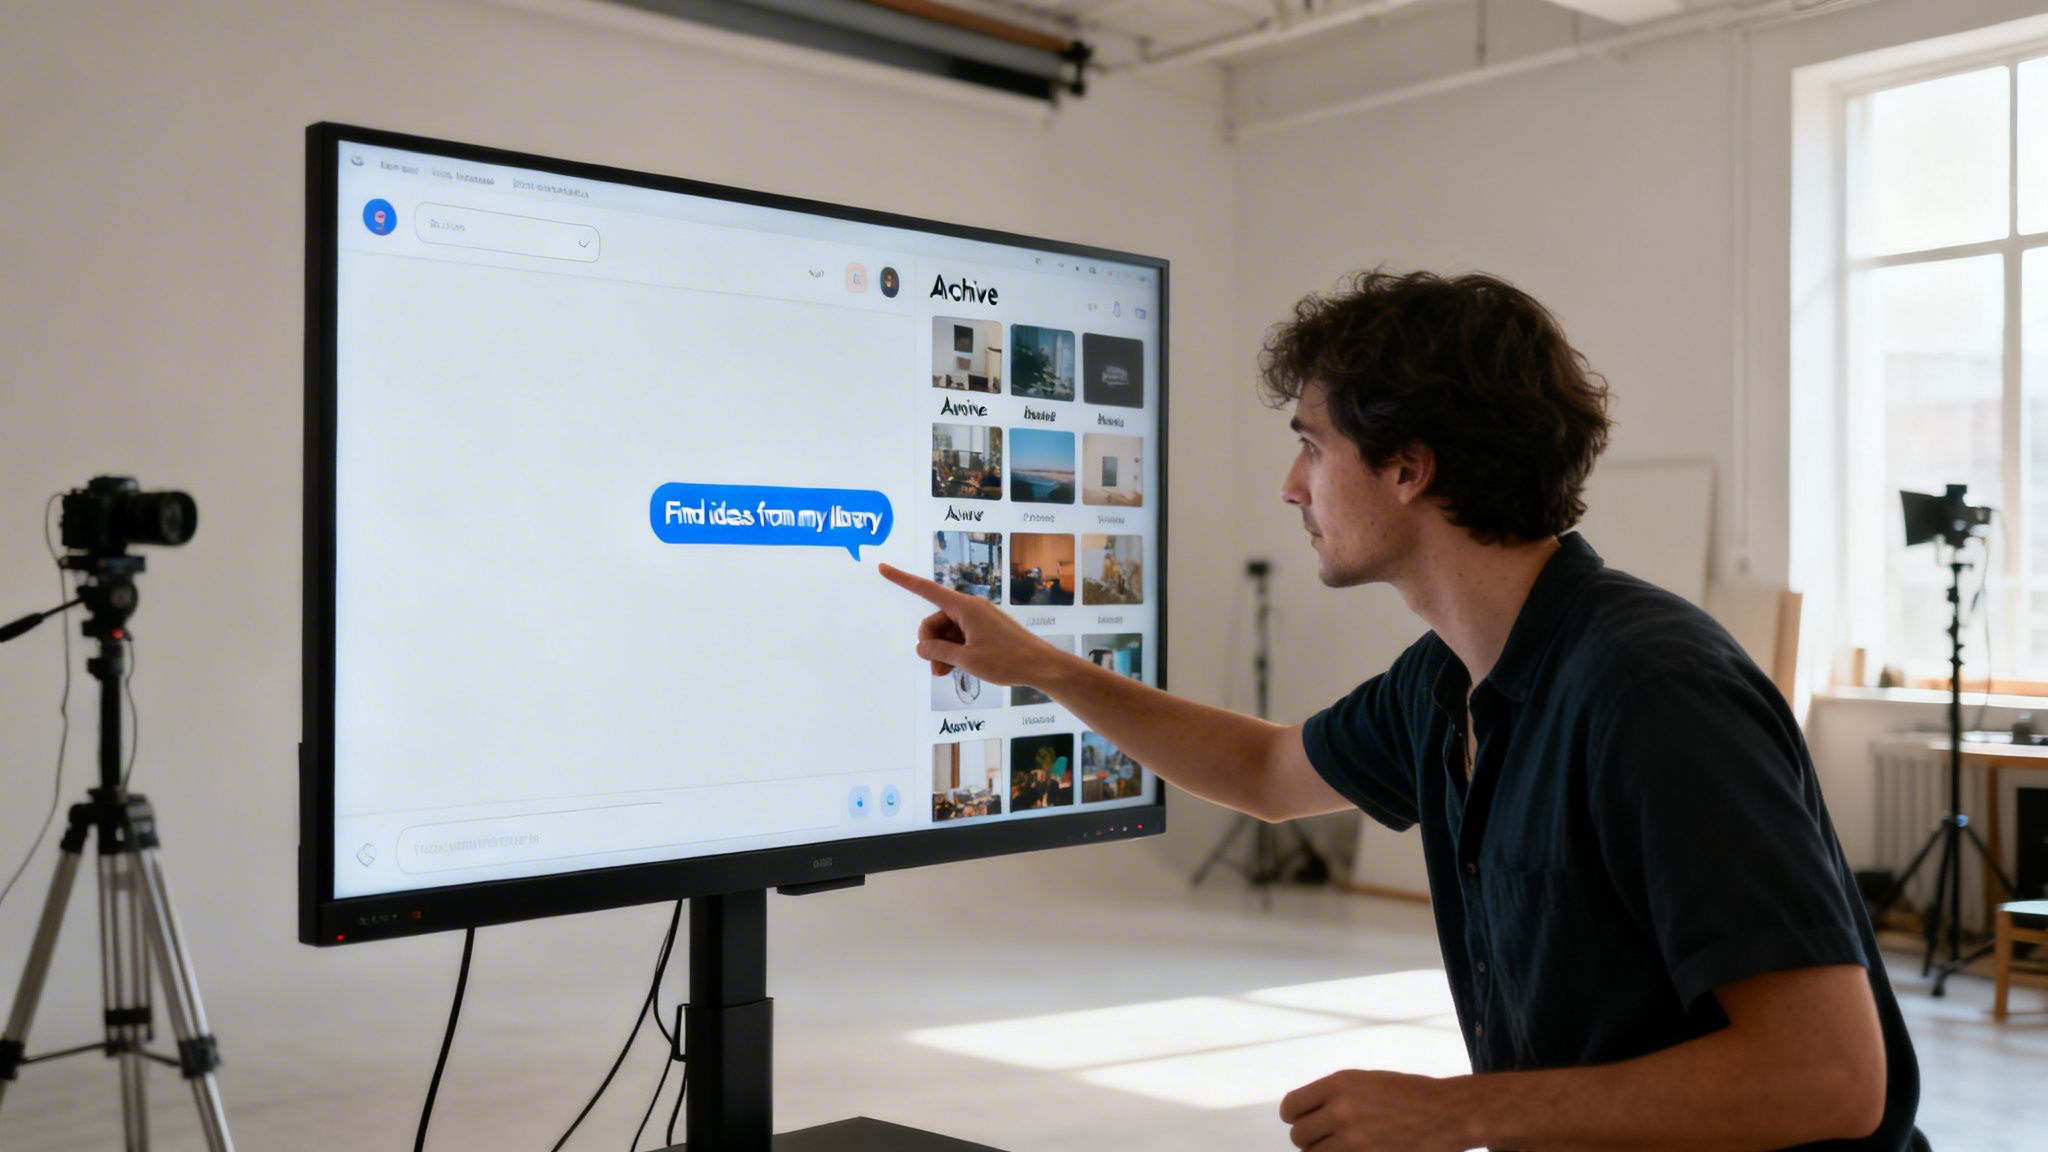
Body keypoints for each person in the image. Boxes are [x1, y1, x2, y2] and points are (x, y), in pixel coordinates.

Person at [881, 269, 1924, 1151]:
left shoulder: (1649, 692)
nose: (1291, 486)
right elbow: (1265, 772)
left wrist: (1452, 1113)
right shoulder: (1444, 681)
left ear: (1408, 468)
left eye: (1312, 445)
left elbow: (1829, 1078)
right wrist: (1048, 670)